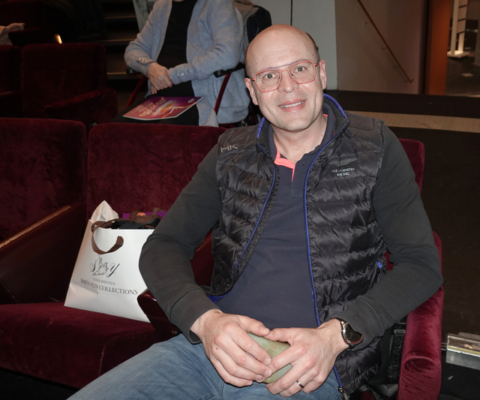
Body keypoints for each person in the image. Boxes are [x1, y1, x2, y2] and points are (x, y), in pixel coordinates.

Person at [70, 24, 442, 399]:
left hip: (307, 364)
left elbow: (420, 263)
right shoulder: (231, 153)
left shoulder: (374, 147)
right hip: (210, 350)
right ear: (252, 91)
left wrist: (337, 335)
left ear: (321, 73)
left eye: (299, 69)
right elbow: (164, 244)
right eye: (269, 76)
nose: (287, 87)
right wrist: (205, 321)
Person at [119, 0, 250, 126]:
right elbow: (133, 49)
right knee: (115, 130)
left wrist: (171, 76)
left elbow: (227, 55)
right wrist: (149, 67)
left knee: (162, 134)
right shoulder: (161, 6)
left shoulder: (217, 3)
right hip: (160, 99)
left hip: (203, 99)